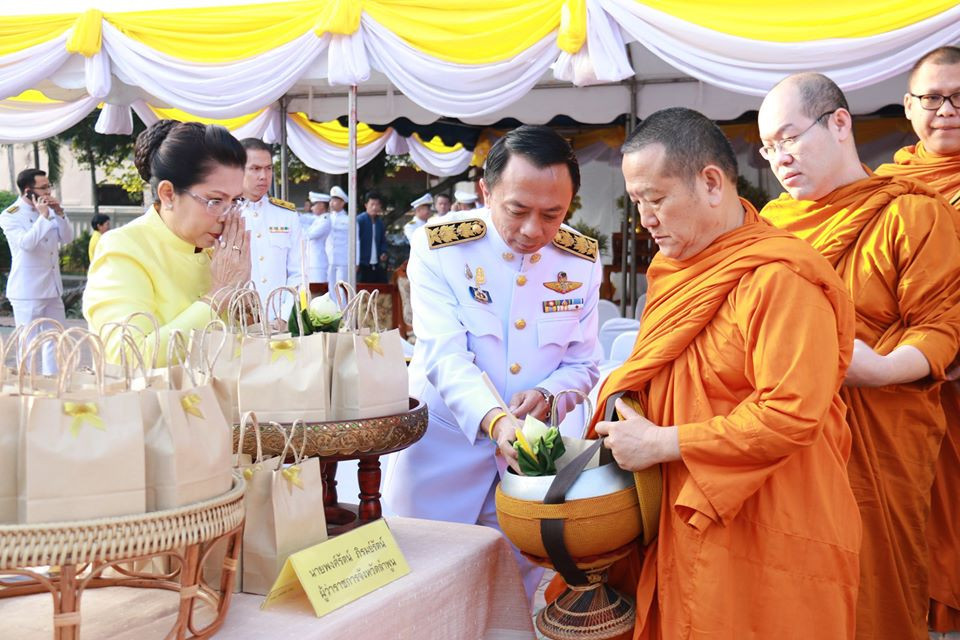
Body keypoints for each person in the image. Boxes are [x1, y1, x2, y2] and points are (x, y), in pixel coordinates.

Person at [555, 107, 862, 639]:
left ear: (712, 183)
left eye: (657, 199)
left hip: (771, 517)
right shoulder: (675, 270)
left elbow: (791, 415)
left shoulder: (780, 280)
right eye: (637, 203)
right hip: (683, 513)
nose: (644, 219)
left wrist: (662, 441)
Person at [758, 72, 960, 640]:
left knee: (872, 597)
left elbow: (940, 327)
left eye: (789, 138)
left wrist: (880, 369)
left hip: (878, 435)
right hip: (784, 446)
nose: (779, 158)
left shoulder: (912, 214)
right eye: (768, 147)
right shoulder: (768, 228)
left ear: (840, 123)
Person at [383, 125, 602, 602]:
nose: (533, 230)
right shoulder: (440, 246)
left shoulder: (580, 260)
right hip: (440, 453)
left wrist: (547, 395)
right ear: (486, 190)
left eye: (553, 214)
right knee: (420, 593)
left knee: (510, 594)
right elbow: (444, 353)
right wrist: (497, 421)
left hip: (527, 469)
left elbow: (584, 362)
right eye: (518, 210)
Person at [874, 46, 960, 636]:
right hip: (903, 385)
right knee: (915, 514)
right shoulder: (881, 190)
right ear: (909, 108)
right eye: (932, 98)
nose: (947, 110)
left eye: (959, 98)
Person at [83, 120, 250, 365]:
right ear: (168, 194)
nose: (227, 216)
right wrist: (219, 294)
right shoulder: (123, 248)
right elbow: (128, 356)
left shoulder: (214, 250)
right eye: (215, 201)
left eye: (235, 201)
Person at [0, 168, 73, 374]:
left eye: (49, 186)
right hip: (28, 290)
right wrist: (43, 218)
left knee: (56, 337)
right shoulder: (10, 215)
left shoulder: (48, 210)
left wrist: (59, 214)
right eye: (43, 188)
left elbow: (66, 238)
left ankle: (53, 381)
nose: (48, 192)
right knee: (29, 341)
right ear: (27, 191)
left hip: (52, 286)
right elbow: (27, 244)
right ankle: (29, 384)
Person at [239, 138, 302, 322]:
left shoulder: (286, 215)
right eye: (255, 169)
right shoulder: (226, 214)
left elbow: (298, 273)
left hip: (278, 321)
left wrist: (283, 316)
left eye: (268, 168)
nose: (264, 176)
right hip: (238, 322)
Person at [356, 190, 388, 283]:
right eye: (372, 204)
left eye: (377, 204)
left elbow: (383, 240)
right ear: (366, 205)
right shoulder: (359, 220)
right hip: (362, 263)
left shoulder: (380, 223)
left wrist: (383, 252)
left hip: (376, 263)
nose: (374, 207)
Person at [302, 192, 331, 291]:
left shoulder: (325, 220)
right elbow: (304, 219)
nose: (311, 208)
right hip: (311, 263)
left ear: (322, 205)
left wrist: (297, 228)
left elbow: (309, 235)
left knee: (316, 293)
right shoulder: (318, 219)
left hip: (318, 264)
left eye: (314, 205)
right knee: (307, 293)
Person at [326, 185, 350, 285]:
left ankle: (342, 302)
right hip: (329, 258)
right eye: (331, 200)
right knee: (330, 287)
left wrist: (355, 262)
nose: (332, 203)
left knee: (341, 287)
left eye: (335, 200)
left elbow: (355, 241)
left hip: (343, 260)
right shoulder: (327, 218)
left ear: (342, 202)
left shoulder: (349, 219)